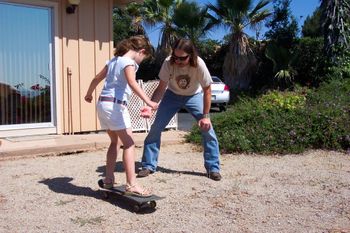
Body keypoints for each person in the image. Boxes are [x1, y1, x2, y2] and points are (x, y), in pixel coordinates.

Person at [138, 38, 222, 181]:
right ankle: (148, 165)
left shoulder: (199, 64)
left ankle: (213, 168)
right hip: (172, 95)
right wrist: (151, 105)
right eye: (175, 57)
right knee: (156, 128)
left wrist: (206, 116)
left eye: (182, 58)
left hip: (194, 96)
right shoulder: (168, 62)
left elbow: (207, 90)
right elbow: (161, 87)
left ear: (191, 55)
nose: (177, 61)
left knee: (208, 129)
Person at [84, 35, 158, 196]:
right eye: (143, 58)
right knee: (129, 143)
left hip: (102, 104)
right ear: (141, 51)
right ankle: (132, 185)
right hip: (116, 106)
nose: (141, 61)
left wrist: (89, 94)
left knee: (115, 142)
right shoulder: (129, 62)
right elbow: (132, 82)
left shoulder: (112, 61)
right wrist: (149, 102)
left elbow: (97, 78)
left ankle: (109, 179)